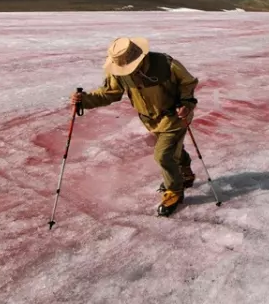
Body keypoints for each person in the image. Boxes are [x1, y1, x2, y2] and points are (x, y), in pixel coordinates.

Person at [71, 37, 199, 217]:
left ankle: (175, 192)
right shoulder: (119, 73)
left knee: (163, 155)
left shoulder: (166, 64)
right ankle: (185, 173)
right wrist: (84, 100)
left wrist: (186, 102)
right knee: (172, 149)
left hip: (175, 116)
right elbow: (110, 94)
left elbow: (188, 82)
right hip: (150, 120)